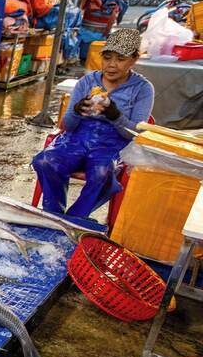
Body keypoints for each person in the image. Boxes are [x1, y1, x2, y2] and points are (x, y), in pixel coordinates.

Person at [32, 29, 153, 219]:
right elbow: (69, 126)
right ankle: (53, 215)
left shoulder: (143, 89)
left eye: (120, 59)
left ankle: (75, 218)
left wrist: (115, 116)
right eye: (107, 58)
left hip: (113, 143)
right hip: (76, 138)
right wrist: (76, 111)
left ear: (134, 60)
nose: (112, 65)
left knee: (103, 172)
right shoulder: (86, 82)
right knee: (45, 161)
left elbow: (135, 134)